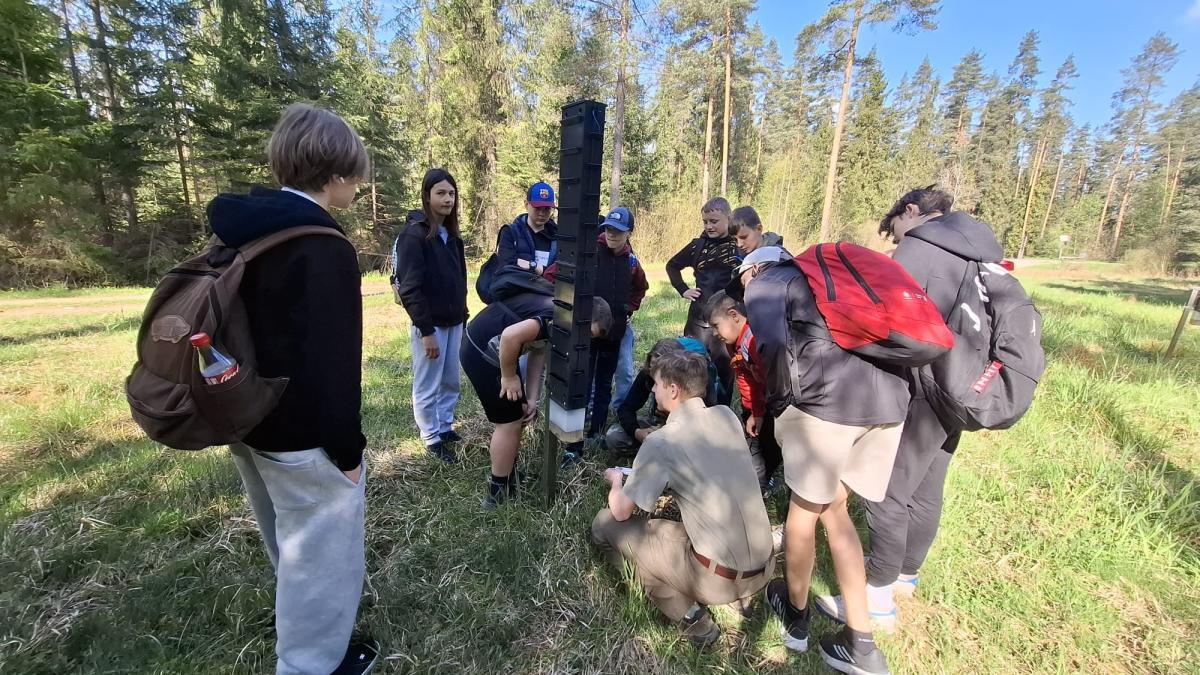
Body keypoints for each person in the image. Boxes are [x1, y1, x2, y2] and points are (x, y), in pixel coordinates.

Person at [208, 103, 378, 675]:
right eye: (355, 174)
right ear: (335, 173)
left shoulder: (242, 226)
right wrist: (347, 451)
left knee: (288, 540)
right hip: (303, 431)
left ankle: (312, 639)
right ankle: (309, 664)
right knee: (319, 555)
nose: (357, 184)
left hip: (245, 412)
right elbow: (333, 361)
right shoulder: (321, 245)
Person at [814, 187, 1002, 634]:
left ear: (911, 211)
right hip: (965, 383)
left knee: (887, 489)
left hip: (923, 386)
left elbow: (884, 318)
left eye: (896, 230)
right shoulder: (977, 252)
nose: (898, 240)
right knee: (927, 485)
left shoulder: (921, 247)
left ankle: (875, 597)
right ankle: (904, 575)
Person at [738, 246, 909, 675]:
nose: (743, 290)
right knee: (836, 509)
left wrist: (780, 405)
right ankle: (861, 642)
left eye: (742, 280)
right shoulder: (826, 281)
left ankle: (796, 619)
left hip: (826, 407)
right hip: (887, 404)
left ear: (756, 269)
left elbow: (773, 345)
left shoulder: (767, 282)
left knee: (804, 512)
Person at [591, 351, 774, 648]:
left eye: (657, 383)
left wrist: (615, 481)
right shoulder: (727, 416)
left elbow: (621, 511)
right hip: (764, 566)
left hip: (717, 580)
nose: (653, 389)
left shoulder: (661, 442)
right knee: (669, 529)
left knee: (604, 525)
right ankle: (738, 599)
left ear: (673, 389)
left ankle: (691, 617)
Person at [462, 292, 613, 509]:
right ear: (583, 317)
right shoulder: (555, 317)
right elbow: (510, 336)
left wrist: (532, 398)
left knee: (519, 413)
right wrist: (509, 377)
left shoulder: (564, 315)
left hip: (498, 351)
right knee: (509, 423)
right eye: (588, 332)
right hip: (482, 351)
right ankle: (497, 492)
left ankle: (508, 474)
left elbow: (538, 351)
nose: (586, 339)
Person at [392, 168, 468, 464]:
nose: (448, 199)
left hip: (454, 321)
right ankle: (431, 437)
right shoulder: (414, 235)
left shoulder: (453, 236)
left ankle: (445, 426)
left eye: (451, 193)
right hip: (431, 325)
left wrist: (463, 314)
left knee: (451, 380)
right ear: (427, 196)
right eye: (441, 193)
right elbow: (410, 288)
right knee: (428, 383)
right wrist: (426, 331)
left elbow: (460, 279)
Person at [665, 197, 740, 406]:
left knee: (725, 372)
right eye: (705, 222)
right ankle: (692, 412)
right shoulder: (697, 246)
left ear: (728, 219)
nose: (709, 226)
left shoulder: (737, 247)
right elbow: (672, 266)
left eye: (714, 221)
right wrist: (683, 289)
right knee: (691, 370)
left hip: (726, 322)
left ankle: (721, 413)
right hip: (697, 321)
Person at [707, 290, 781, 490]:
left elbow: (775, 380)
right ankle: (759, 481)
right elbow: (745, 378)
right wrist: (754, 411)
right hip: (764, 403)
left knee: (772, 446)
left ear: (734, 316)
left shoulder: (755, 341)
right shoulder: (733, 343)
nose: (714, 333)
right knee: (757, 441)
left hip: (779, 403)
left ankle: (763, 482)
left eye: (716, 326)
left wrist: (764, 412)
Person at [586, 207, 649, 441]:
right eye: (609, 229)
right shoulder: (591, 251)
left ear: (629, 233)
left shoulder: (631, 262)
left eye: (618, 231)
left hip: (614, 333)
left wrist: (628, 308)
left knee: (604, 382)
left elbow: (641, 288)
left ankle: (597, 431)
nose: (612, 235)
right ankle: (576, 430)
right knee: (584, 380)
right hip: (588, 331)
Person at [605, 337, 718, 457]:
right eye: (652, 366)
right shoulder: (648, 375)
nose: (653, 372)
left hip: (689, 431)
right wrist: (637, 432)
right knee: (615, 436)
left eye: (658, 368)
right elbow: (626, 408)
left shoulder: (696, 379)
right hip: (659, 424)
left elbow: (709, 418)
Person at [495, 181, 558, 276]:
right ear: (526, 205)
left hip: (548, 286)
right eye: (537, 208)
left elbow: (561, 272)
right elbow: (506, 267)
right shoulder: (510, 233)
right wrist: (541, 269)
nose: (542, 213)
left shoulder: (558, 237)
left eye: (547, 208)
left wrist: (528, 265)